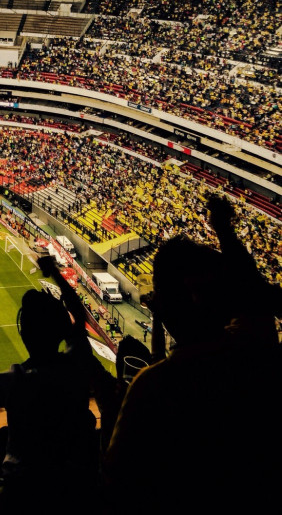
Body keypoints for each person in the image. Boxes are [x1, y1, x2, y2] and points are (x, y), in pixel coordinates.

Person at [104, 195, 281, 515]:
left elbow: (115, 481)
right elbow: (255, 298)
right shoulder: (257, 357)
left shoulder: (152, 387)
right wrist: (224, 231)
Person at [0, 256, 96, 513]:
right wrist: (56, 275)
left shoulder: (13, 382)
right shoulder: (75, 366)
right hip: (70, 489)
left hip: (20, 492)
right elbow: (79, 319)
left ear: (23, 332)